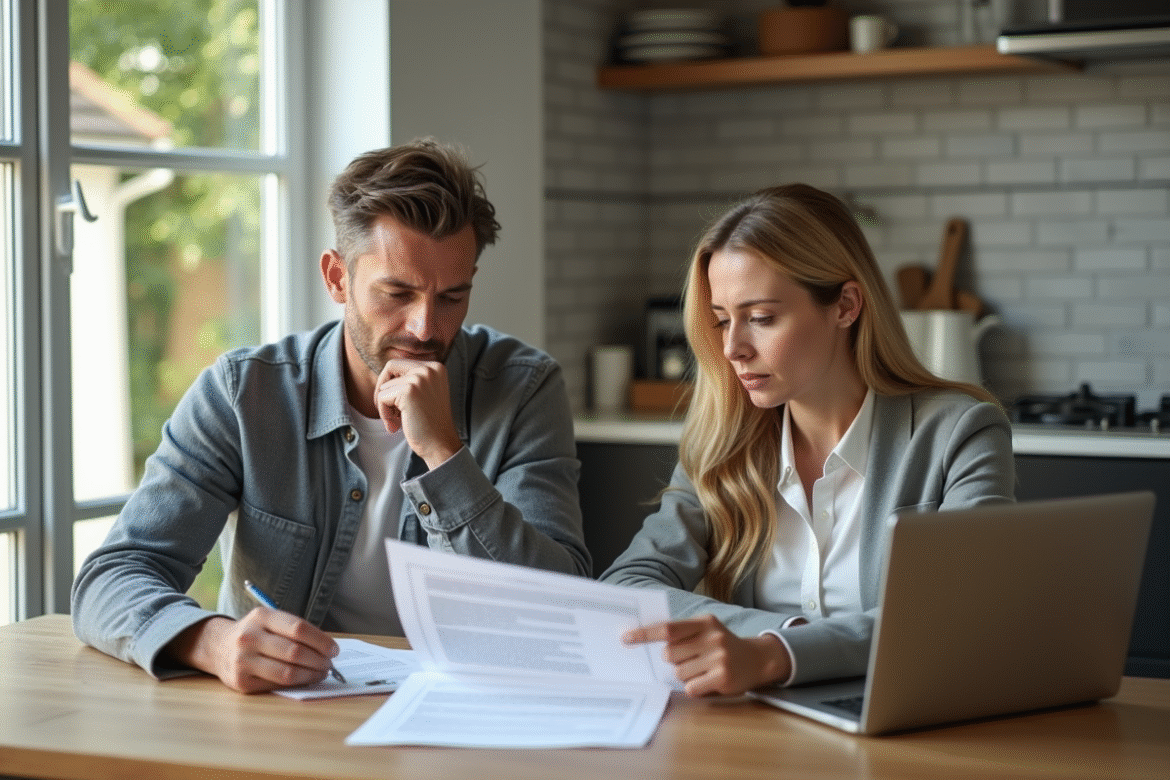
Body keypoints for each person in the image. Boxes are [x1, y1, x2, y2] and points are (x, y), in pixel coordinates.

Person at [72, 138, 591, 693]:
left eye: (451, 297)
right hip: (295, 718)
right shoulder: (245, 394)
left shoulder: (523, 387)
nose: (424, 327)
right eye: (397, 293)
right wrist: (213, 641)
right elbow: (110, 579)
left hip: (466, 710)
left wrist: (444, 455)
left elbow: (561, 606)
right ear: (337, 277)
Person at [603, 184, 1014, 698]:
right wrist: (767, 643)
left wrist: (776, 653)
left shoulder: (961, 433)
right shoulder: (721, 444)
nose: (733, 348)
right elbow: (624, 592)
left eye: (761, 318)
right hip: (760, 736)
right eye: (722, 321)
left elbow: (957, 618)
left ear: (845, 305)